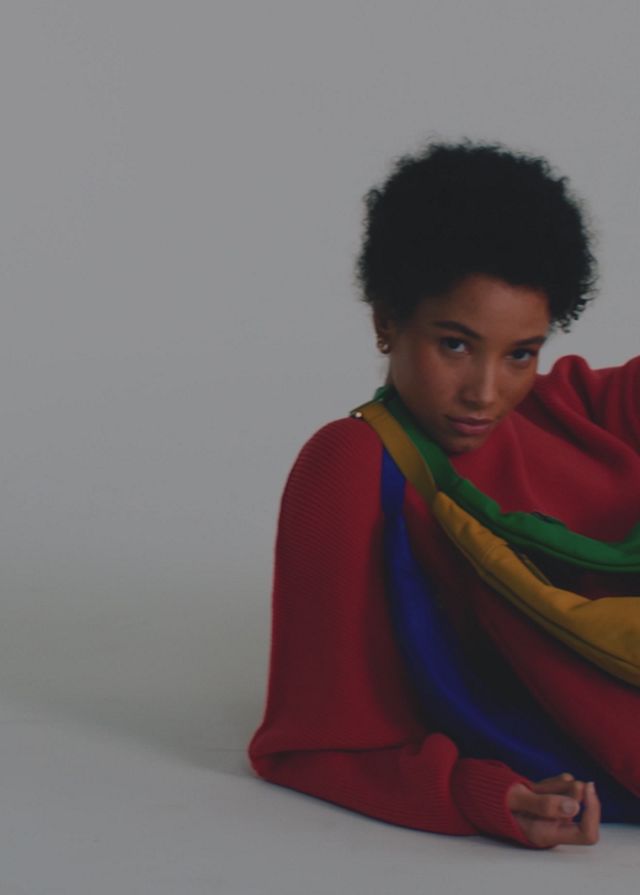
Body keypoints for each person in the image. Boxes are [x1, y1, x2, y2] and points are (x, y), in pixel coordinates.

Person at [248, 141, 640, 849]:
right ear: (387, 321)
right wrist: (483, 795)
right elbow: (313, 741)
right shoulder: (351, 466)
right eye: (455, 344)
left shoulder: (565, 409)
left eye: (521, 353)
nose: (486, 392)